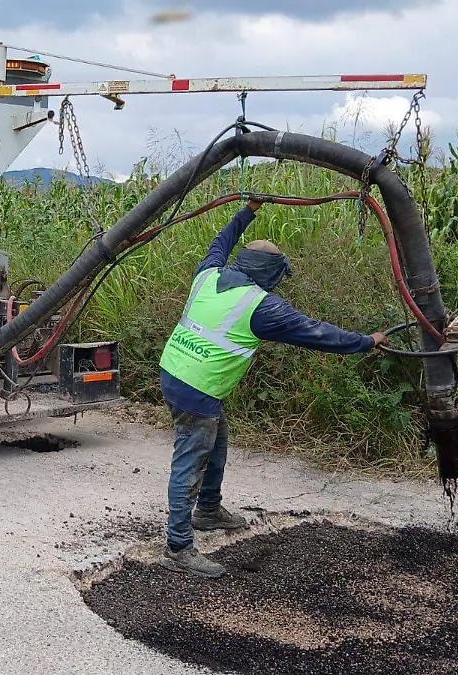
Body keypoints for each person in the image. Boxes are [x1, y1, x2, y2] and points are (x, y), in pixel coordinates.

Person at [158, 199, 390, 578]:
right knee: (190, 459)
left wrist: (248, 211)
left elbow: (220, 241)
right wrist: (365, 341)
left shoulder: (208, 273)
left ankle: (209, 510)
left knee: (217, 438)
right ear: (270, 275)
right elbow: (316, 333)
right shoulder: (261, 307)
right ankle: (178, 547)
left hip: (174, 370)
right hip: (196, 388)